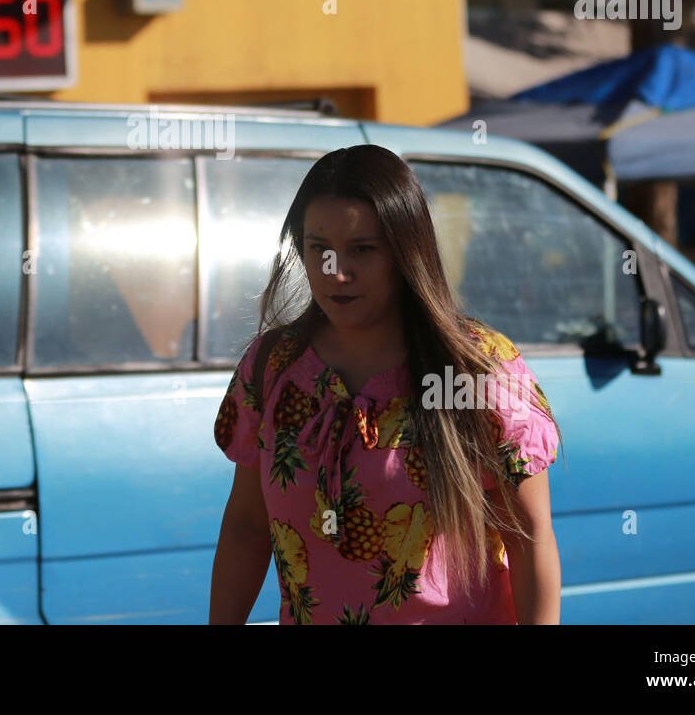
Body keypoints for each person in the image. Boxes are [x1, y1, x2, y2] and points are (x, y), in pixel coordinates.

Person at [210, 144, 562, 625]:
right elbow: (248, 528)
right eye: (320, 249)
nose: (337, 271)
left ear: (404, 252)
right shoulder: (271, 368)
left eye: (363, 249)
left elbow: (530, 534)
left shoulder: (477, 370)